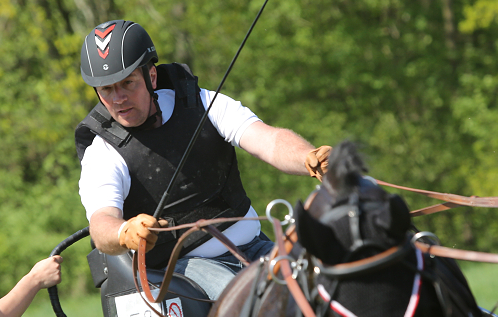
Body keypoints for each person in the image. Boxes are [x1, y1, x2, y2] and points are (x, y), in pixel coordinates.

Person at [76, 19, 331, 299]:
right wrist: (125, 232)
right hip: (182, 273)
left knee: (325, 283)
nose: (119, 98)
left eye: (128, 83)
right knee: (254, 301)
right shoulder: (102, 153)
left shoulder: (203, 103)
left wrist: (307, 157)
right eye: (107, 90)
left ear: (151, 76)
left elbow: (267, 140)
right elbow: (101, 224)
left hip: (256, 248)